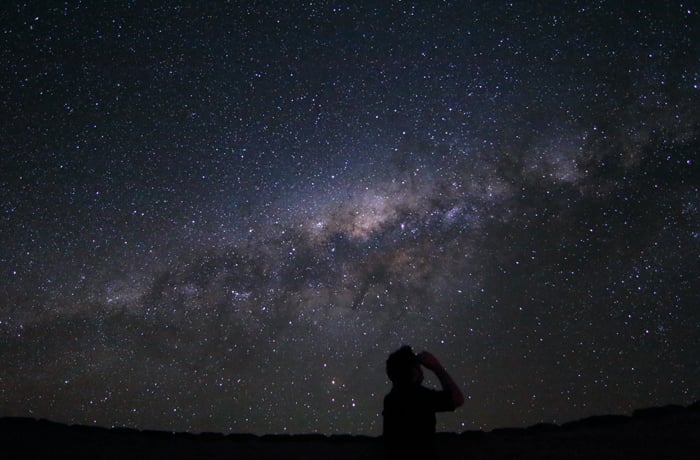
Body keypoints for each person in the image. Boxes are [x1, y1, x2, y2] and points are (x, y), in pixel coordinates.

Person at [382, 345, 464, 459]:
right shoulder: (420, 396)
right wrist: (437, 367)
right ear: (414, 372)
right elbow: (457, 399)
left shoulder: (390, 400)